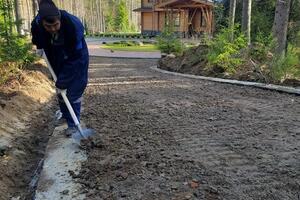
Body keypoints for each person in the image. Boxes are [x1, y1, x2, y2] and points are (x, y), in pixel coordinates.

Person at [31, 0, 89, 137]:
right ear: (42, 21)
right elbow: (37, 35)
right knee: (59, 89)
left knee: (74, 90)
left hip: (76, 57)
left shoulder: (73, 26)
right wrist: (39, 46)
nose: (53, 29)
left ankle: (73, 125)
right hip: (55, 55)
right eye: (48, 26)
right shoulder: (37, 23)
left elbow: (76, 57)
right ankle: (64, 114)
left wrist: (64, 80)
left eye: (56, 25)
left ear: (59, 19)